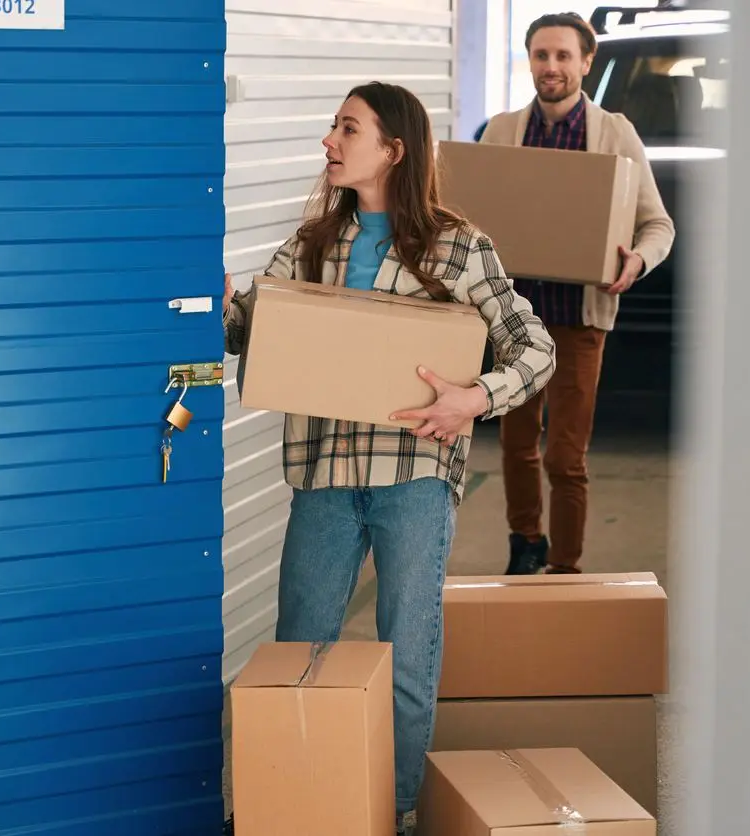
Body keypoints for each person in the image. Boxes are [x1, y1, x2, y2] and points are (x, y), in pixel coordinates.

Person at [221, 82, 555, 835]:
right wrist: (223, 304)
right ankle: (298, 804)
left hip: (413, 479)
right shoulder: (312, 244)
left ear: (393, 149)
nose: (328, 142)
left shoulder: (460, 247)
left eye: (347, 128)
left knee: (406, 658)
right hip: (325, 478)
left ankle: (395, 810)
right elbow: (253, 328)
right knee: (300, 650)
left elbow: (536, 350)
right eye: (334, 127)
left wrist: (475, 398)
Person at [479, 12, 676, 575]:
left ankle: (565, 569)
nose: (552, 67)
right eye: (542, 55)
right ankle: (526, 543)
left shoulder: (615, 135)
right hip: (515, 322)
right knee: (516, 448)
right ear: (530, 60)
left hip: (579, 321)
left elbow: (657, 225)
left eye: (564, 56)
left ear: (586, 63)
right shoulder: (502, 132)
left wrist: (638, 260)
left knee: (565, 458)